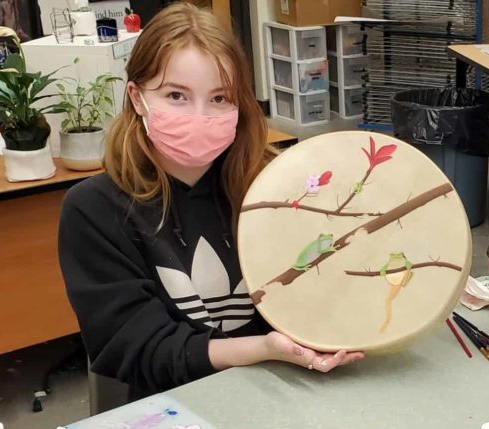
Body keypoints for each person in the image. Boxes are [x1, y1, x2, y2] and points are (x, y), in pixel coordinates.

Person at [59, 4, 363, 402]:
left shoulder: (277, 186)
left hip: (287, 390)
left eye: (219, 98)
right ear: (136, 97)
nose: (200, 117)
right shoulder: (94, 209)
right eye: (176, 96)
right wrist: (263, 348)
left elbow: (322, 286)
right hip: (177, 413)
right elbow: (137, 347)